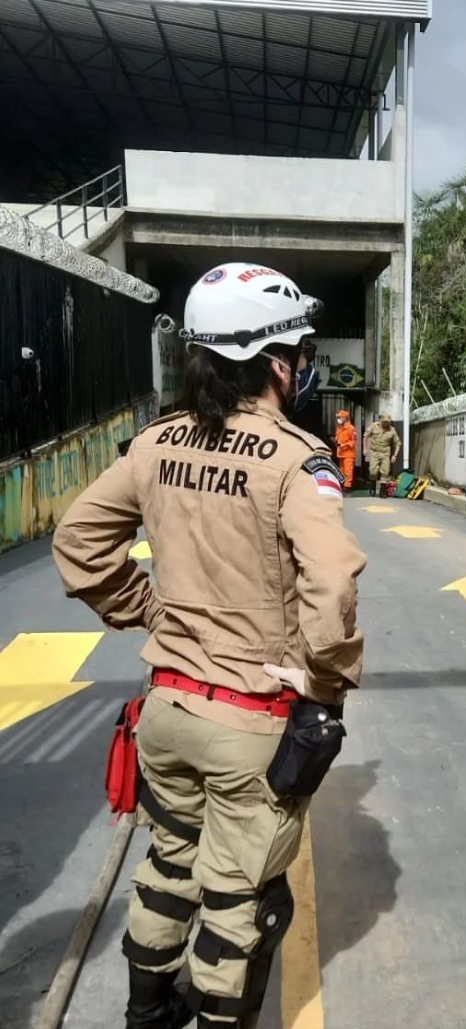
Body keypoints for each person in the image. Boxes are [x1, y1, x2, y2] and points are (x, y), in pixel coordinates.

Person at [52, 262, 367, 1029]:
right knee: (239, 902)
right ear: (272, 361)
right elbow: (331, 579)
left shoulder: (155, 446)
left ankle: (146, 1013)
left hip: (165, 714)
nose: (299, 365)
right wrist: (325, 682)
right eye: (293, 350)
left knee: (167, 869)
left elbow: (78, 542)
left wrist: (153, 614)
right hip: (248, 726)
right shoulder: (298, 459)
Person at [363, 413, 400, 495]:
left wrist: (395, 455)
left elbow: (398, 443)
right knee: (373, 471)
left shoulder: (392, 430)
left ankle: (382, 490)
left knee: (385, 472)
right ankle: (372, 487)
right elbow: (365, 436)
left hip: (385, 453)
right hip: (374, 452)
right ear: (381, 421)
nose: (386, 424)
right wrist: (365, 448)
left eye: (388, 422)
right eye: (384, 422)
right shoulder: (374, 426)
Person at [334, 409, 357, 489]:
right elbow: (337, 438)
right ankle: (342, 485)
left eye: (340, 417)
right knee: (341, 470)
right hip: (341, 453)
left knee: (348, 471)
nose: (338, 419)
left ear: (344, 418)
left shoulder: (351, 428)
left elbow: (353, 441)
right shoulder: (339, 428)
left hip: (348, 453)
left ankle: (347, 486)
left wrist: (344, 445)